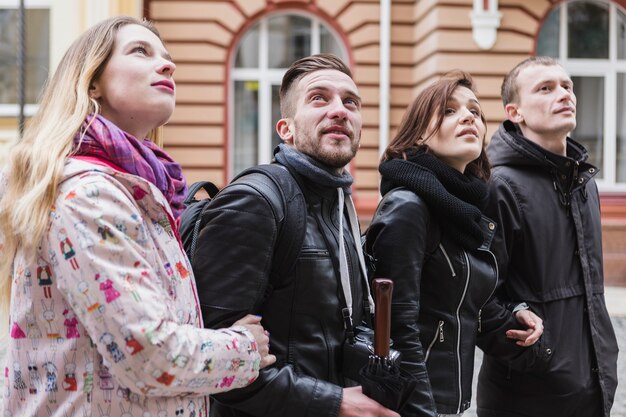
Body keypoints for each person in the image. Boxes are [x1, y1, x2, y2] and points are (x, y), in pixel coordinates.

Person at [0, 16, 275, 417]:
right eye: (140, 52)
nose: (167, 65)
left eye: (166, 57)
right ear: (92, 81)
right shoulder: (89, 195)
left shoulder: (141, 191)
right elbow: (149, 356)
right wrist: (246, 347)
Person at [191, 54, 399, 417]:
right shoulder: (256, 201)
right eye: (319, 98)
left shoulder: (339, 204)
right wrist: (334, 403)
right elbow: (212, 358)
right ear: (285, 129)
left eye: (350, 102)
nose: (340, 111)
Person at [365, 71, 544, 417]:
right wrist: (423, 411)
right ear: (418, 134)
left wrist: (524, 331)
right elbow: (395, 330)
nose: (468, 117)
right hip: (410, 406)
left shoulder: (466, 210)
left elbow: (465, 308)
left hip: (449, 404)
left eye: (475, 112)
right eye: (449, 110)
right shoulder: (409, 207)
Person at [476, 56, 619, 417]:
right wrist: (534, 353)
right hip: (526, 397)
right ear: (515, 112)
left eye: (567, 86)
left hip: (592, 388)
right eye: (546, 88)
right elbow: (478, 293)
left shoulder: (584, 182)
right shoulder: (499, 186)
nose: (564, 94)